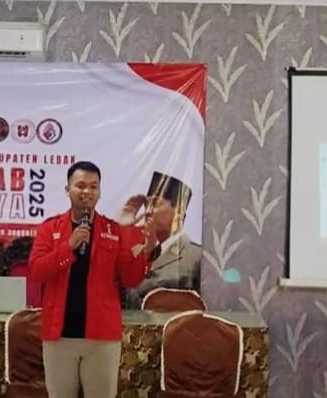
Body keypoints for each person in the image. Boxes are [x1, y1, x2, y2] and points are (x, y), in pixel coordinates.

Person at [28, 161, 156, 398]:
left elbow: (130, 279)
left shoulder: (114, 230)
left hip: (101, 336)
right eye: (80, 185)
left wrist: (145, 253)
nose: (87, 191)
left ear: (99, 192)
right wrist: (69, 246)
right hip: (59, 336)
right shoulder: (50, 228)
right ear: (68, 189)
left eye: (93, 186)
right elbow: (36, 271)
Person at [118, 171, 201, 309]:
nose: (147, 212)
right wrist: (120, 229)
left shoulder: (196, 257)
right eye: (146, 205)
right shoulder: (137, 253)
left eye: (155, 204)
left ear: (179, 212)